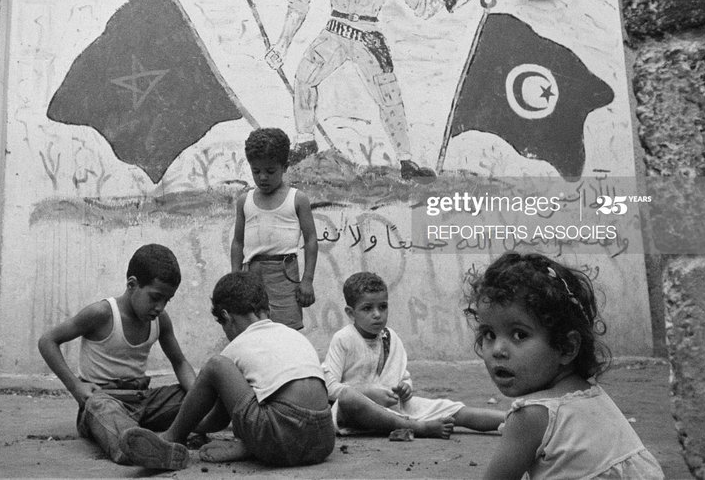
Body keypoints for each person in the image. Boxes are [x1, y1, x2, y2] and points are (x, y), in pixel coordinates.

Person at [264, 0, 473, 179]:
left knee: (390, 97)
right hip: (334, 31)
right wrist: (281, 45)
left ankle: (407, 162)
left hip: (369, 36)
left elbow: (423, 4)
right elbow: (299, 5)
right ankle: (305, 142)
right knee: (304, 77)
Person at [467, 253, 664, 480]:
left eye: (519, 334)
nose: (497, 349)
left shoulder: (529, 417)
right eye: (489, 334)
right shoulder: (588, 393)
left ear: (566, 348)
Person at [120, 271, 335, 468]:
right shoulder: (293, 335)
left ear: (226, 317)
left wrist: (193, 426)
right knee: (263, 398)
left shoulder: (236, 347)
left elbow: (218, 419)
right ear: (267, 310)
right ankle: (249, 447)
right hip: (323, 439)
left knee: (217, 365)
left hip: (280, 437)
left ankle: (170, 438)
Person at [36, 243, 196, 467]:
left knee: (194, 392)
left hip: (143, 401)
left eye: (166, 300)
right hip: (104, 400)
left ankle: (152, 442)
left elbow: (179, 362)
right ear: (132, 284)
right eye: (155, 297)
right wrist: (75, 386)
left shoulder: (161, 320)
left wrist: (198, 397)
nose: (160, 307)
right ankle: (135, 448)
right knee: (102, 407)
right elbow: (47, 341)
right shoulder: (101, 314)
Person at [324, 271, 504, 438]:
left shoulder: (390, 337)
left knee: (452, 409)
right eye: (367, 308)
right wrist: (367, 393)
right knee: (349, 399)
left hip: (395, 407)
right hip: (358, 412)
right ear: (350, 313)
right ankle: (420, 428)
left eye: (383, 307)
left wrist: (405, 388)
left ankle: (511, 418)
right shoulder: (343, 339)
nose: (377, 314)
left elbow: (402, 377)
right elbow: (329, 387)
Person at [231, 127, 317, 330]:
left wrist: (307, 280)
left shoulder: (297, 199)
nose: (262, 177)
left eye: (270, 171)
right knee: (253, 329)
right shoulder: (245, 201)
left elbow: (311, 239)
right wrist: (235, 277)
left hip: (285, 275)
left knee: (286, 331)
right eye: (256, 171)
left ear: (285, 166)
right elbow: (238, 242)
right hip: (251, 274)